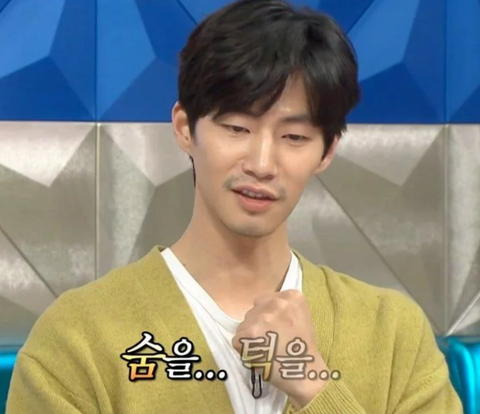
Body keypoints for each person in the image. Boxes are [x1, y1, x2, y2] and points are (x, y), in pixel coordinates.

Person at [6, 0, 463, 413]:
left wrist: (314, 387)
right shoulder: (78, 339)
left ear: (326, 152)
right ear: (185, 128)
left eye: (294, 137)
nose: (261, 164)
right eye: (237, 128)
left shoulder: (393, 334)